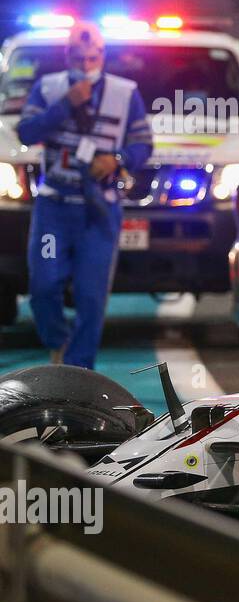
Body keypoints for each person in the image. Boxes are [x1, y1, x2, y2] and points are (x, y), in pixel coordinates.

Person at [16, 21, 152, 368]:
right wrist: (64, 105)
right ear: (67, 56)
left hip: (100, 211)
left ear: (103, 56)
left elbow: (143, 144)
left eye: (94, 57)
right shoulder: (48, 88)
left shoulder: (126, 93)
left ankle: (78, 373)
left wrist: (117, 159)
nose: (88, 64)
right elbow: (27, 132)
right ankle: (58, 341)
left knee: (92, 298)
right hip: (54, 208)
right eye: (80, 57)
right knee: (44, 286)